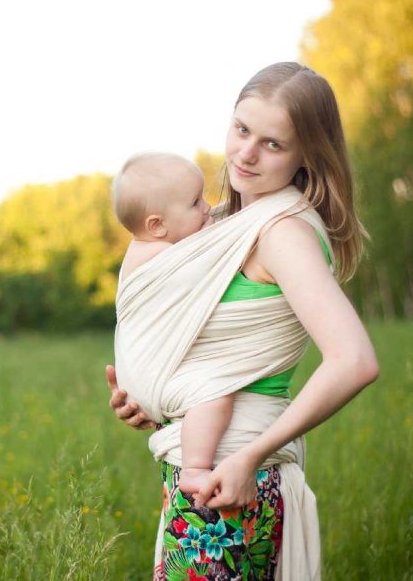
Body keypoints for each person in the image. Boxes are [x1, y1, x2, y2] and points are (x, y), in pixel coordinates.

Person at [107, 62, 379, 581]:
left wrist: (252, 456)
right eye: (241, 129)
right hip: (204, 472)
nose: (246, 153)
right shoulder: (224, 229)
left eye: (273, 144)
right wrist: (153, 396)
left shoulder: (280, 233)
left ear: (307, 155)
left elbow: (355, 360)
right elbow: (206, 354)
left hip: (231, 478)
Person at [112, 152, 230, 496]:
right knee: (214, 395)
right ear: (157, 225)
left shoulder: (148, 247)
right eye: (195, 203)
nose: (208, 208)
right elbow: (213, 258)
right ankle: (195, 468)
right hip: (150, 377)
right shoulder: (161, 255)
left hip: (136, 377)